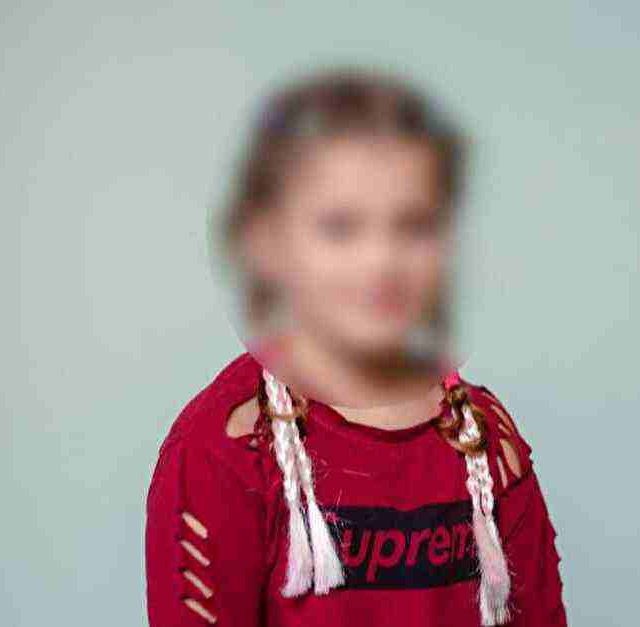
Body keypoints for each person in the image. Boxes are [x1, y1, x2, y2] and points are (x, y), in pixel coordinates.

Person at [145, 67, 568, 627]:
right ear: (270, 244)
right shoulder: (225, 452)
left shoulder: (484, 444)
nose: (381, 261)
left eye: (414, 225)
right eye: (341, 227)